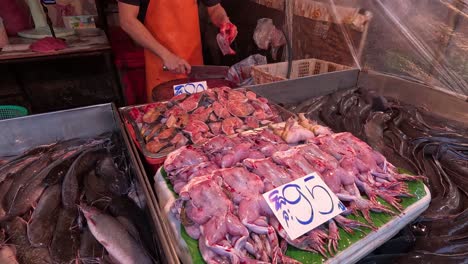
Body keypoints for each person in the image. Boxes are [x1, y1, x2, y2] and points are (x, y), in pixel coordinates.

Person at [118, 0, 237, 101]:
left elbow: (215, 8)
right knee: (164, 118)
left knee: (196, 112)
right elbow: (127, 20)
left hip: (193, 62)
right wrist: (166, 56)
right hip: (160, 62)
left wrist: (223, 21)